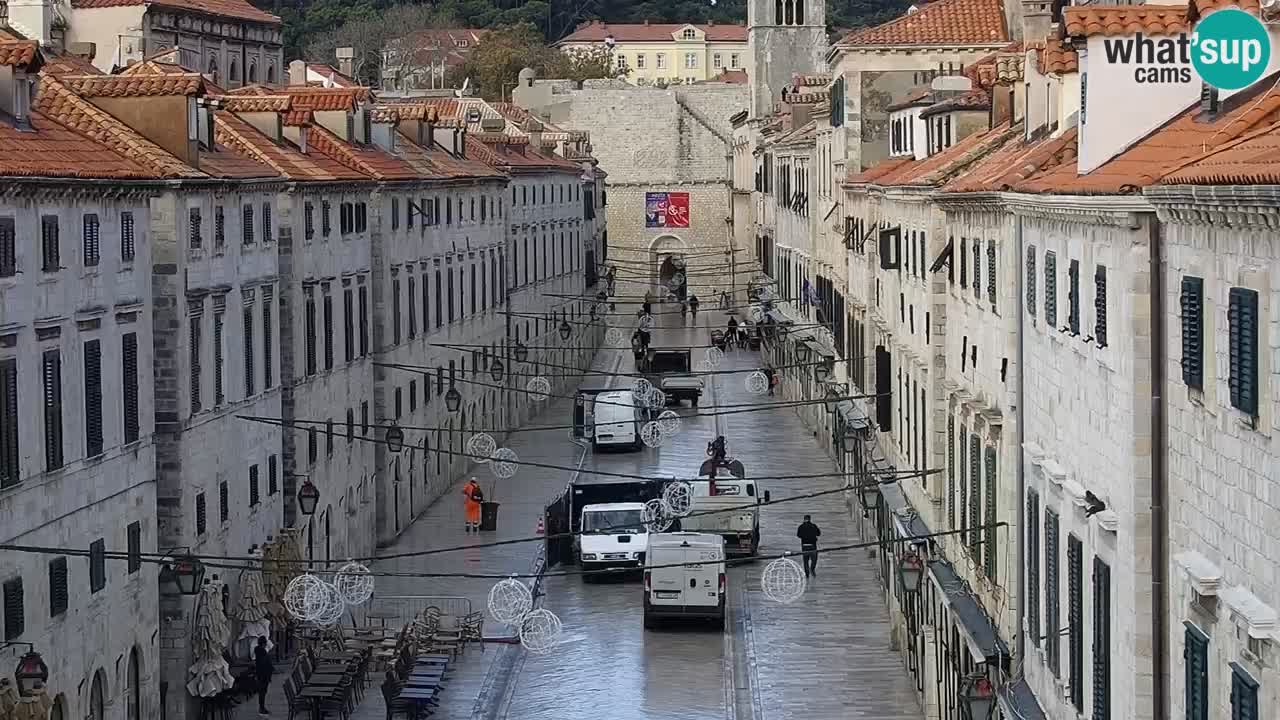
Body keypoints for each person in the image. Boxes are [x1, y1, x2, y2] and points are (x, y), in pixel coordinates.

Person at [253, 636, 274, 716]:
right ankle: (262, 708)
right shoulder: (262, 652)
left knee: (262, 692)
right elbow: (266, 664)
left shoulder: (258, 650)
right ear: (264, 643)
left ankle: (262, 707)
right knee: (263, 692)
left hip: (260, 674)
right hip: (264, 675)